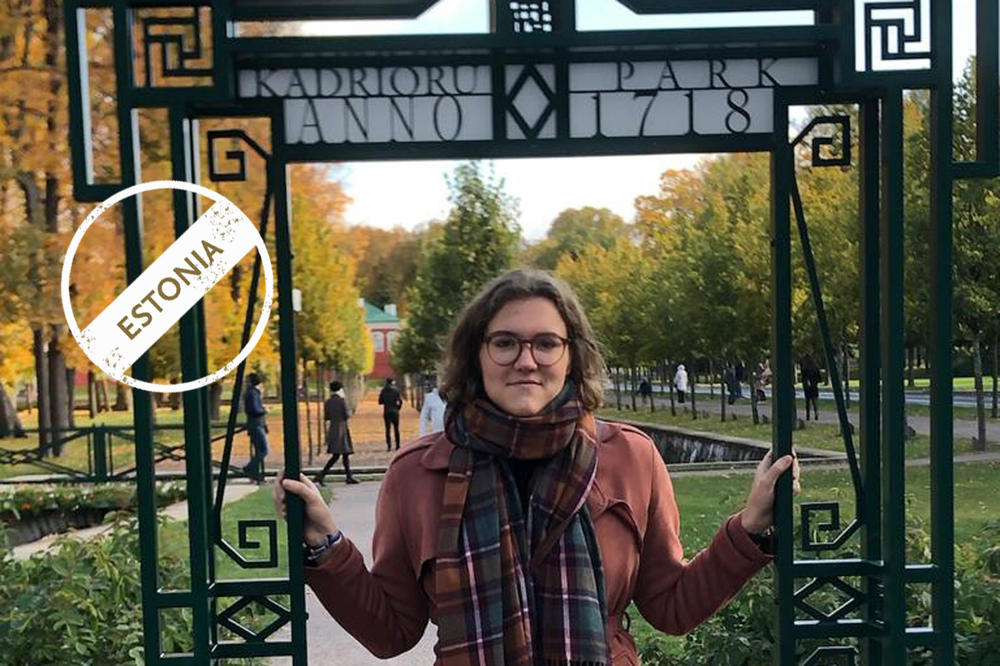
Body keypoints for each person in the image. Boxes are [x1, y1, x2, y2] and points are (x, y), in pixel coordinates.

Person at [274, 268, 800, 665]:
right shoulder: (417, 473)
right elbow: (391, 631)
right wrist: (326, 546)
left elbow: (671, 607)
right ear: (476, 354)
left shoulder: (628, 458)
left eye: (546, 343)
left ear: (572, 354)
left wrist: (749, 528)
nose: (526, 360)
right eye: (505, 343)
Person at [316, 381, 359, 485]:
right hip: (342, 428)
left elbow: (327, 417)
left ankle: (348, 476)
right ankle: (321, 475)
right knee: (339, 454)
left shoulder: (328, 402)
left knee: (344, 454)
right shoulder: (342, 401)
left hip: (333, 428)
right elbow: (346, 414)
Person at [241, 372, 269, 481]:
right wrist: (264, 410)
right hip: (256, 425)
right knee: (264, 450)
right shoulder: (252, 393)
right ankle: (249, 469)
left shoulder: (251, 393)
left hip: (256, 425)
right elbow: (255, 410)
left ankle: (255, 475)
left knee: (258, 450)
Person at [378, 378, 404, 451]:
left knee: (387, 429)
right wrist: (398, 408)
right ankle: (397, 445)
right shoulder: (396, 390)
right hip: (395, 411)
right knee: (396, 429)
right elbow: (400, 401)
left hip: (387, 411)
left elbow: (380, 401)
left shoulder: (383, 391)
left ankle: (389, 446)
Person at [800, 355, 822, 421]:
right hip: (814, 385)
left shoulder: (804, 368)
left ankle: (808, 415)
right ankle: (816, 413)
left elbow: (803, 377)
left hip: (807, 386)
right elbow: (819, 378)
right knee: (815, 400)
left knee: (807, 401)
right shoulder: (815, 367)